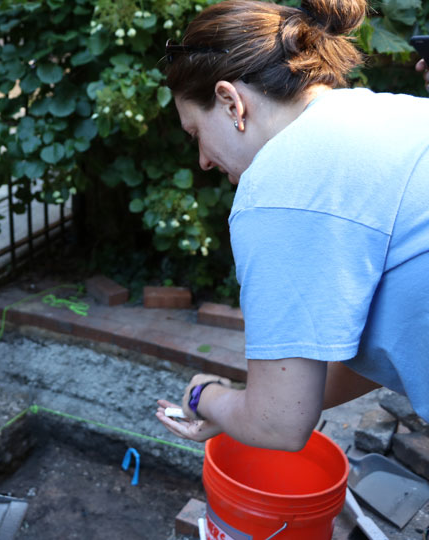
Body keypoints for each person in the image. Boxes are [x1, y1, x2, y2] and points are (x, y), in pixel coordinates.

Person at [155, 0, 429, 451]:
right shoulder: (388, 113)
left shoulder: (279, 186)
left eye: (195, 133)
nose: (202, 160)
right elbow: (390, 344)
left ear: (230, 102)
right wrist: (245, 404)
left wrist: (206, 396)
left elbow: (276, 426)